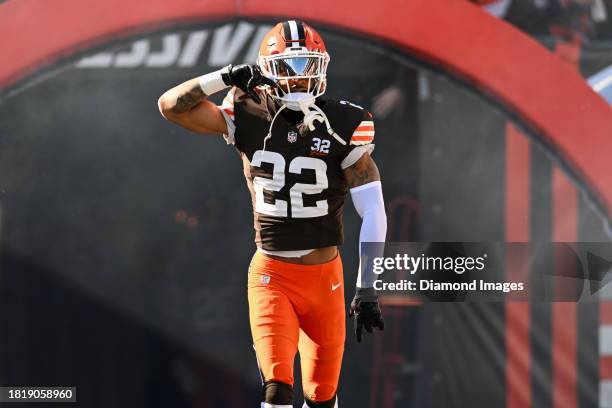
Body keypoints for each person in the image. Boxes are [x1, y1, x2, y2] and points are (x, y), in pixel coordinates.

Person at [158, 20, 386, 408]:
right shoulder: (246, 109)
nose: (299, 79)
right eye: (289, 68)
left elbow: (374, 211)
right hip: (272, 274)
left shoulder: (344, 123)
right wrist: (223, 76)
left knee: (322, 397)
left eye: (307, 66)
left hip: (325, 277)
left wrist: (367, 286)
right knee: (277, 390)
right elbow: (170, 106)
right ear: (268, 69)